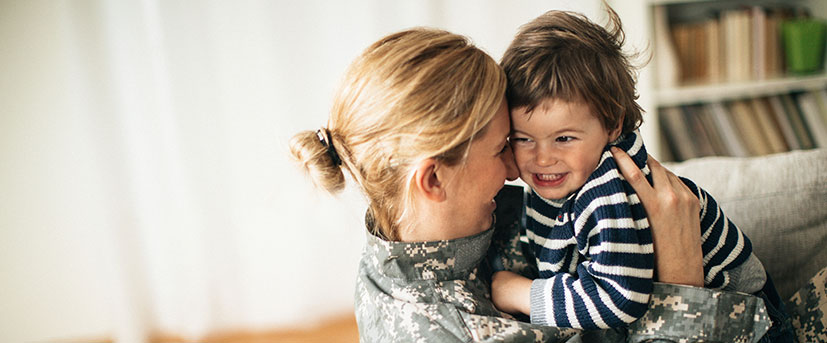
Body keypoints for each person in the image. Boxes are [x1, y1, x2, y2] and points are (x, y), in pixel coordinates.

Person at [290, 27, 771, 342]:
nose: (519, 170)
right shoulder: (451, 330)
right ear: (433, 178)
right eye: (507, 146)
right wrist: (681, 283)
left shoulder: (414, 239)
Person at [489, 7, 794, 342]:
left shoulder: (608, 190)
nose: (542, 159)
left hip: (749, 323)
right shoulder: (559, 177)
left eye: (564, 138)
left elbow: (617, 300)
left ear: (612, 124)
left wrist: (522, 293)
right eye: (523, 139)